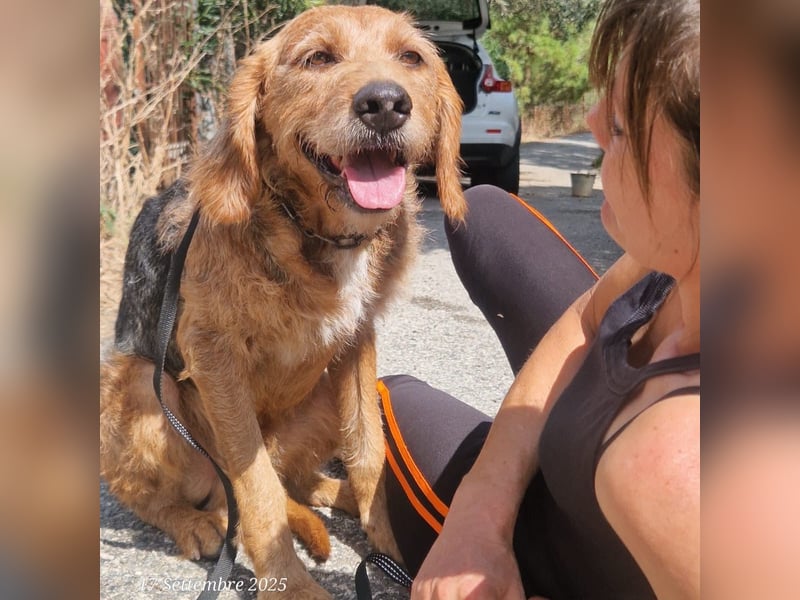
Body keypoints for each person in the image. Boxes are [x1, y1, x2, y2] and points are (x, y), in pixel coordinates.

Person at [377, 0, 700, 597]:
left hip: (571, 544)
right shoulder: (687, 257)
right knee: (486, 213)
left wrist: (477, 542)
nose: (593, 119)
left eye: (624, 126)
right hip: (597, 427)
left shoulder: (681, 469)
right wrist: (483, 501)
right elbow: (587, 314)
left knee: (389, 400)